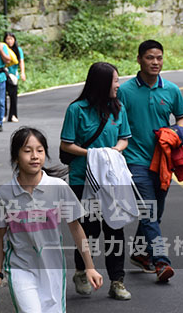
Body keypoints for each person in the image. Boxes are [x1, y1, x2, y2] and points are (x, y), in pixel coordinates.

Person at [0, 127, 103, 312]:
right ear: (16, 157)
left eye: (39, 150)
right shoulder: (5, 193)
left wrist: (90, 267)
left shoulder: (58, 187)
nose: (35, 156)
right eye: (27, 151)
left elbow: (76, 228)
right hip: (20, 268)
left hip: (53, 268)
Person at [60, 62, 133, 300]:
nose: (118, 85)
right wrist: (93, 154)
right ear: (102, 83)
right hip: (83, 179)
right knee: (88, 229)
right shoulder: (76, 110)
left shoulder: (118, 108)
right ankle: (82, 271)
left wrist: (114, 150)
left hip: (110, 180)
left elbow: (124, 138)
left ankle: (117, 281)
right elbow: (66, 144)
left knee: (115, 228)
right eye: (115, 81)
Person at [117, 40, 183, 283]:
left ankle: (140, 253)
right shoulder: (125, 91)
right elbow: (115, 122)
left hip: (163, 162)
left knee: (155, 212)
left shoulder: (171, 90)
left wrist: (177, 133)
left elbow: (181, 117)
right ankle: (161, 261)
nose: (155, 62)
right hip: (134, 161)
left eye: (159, 57)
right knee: (149, 211)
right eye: (149, 57)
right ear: (139, 59)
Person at [4, 32, 26, 123]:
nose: (9, 41)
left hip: (13, 75)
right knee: (2, 96)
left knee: (13, 96)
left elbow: (21, 61)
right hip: (4, 74)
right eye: (7, 39)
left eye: (11, 39)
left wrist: (22, 72)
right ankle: (3, 114)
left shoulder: (18, 49)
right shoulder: (3, 49)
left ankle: (13, 115)